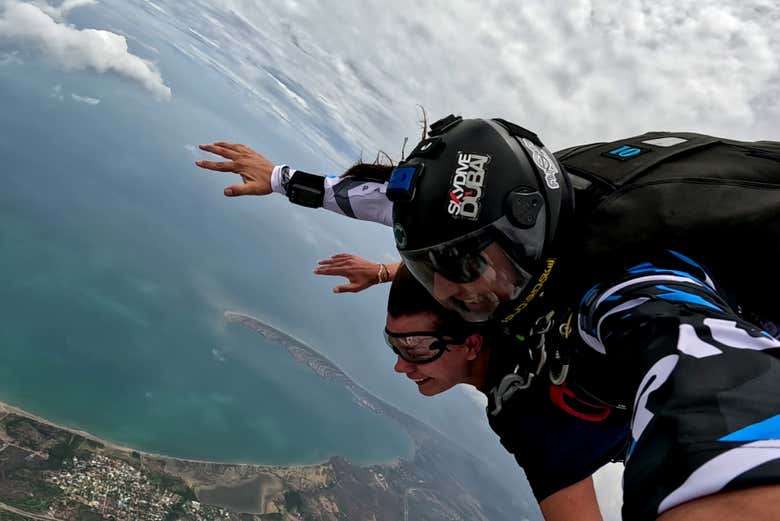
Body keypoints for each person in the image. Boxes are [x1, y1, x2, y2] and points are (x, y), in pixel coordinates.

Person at [195, 118, 780, 520]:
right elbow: (400, 203)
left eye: (466, 269)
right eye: (428, 272)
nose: (451, 293)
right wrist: (283, 181)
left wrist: (723, 489)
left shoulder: (621, 283)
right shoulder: (508, 222)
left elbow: (698, 363)